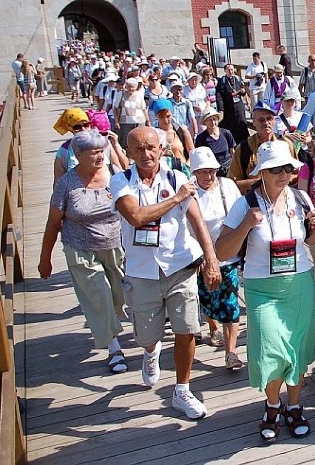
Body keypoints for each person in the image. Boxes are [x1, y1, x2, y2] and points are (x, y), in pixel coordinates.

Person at [215, 141, 315, 441]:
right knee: (269, 350)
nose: (283, 174)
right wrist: (245, 226)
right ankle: (273, 405)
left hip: (299, 284)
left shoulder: (301, 199)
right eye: (275, 168)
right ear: (261, 172)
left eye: (288, 168)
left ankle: (295, 405)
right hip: (262, 288)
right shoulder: (245, 203)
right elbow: (222, 250)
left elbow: (311, 241)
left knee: (298, 350)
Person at [111, 126, 222, 419]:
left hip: (179, 266)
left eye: (151, 147)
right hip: (141, 271)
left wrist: (210, 258)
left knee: (187, 330)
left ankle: (182, 390)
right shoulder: (121, 181)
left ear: (162, 149)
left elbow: (197, 220)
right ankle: (150, 352)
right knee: (148, 336)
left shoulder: (176, 177)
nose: (146, 154)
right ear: (129, 153)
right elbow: (135, 217)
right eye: (138, 149)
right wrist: (175, 199)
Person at [38, 130, 128, 375]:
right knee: (99, 296)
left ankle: (109, 325)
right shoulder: (66, 184)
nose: (100, 156)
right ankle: (114, 349)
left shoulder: (116, 175)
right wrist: (45, 259)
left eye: (102, 151)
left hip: (116, 245)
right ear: (78, 155)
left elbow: (134, 207)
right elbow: (53, 222)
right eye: (94, 152)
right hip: (80, 248)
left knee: (120, 297)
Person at [189, 147, 244, 370]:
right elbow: (184, 228)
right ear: (194, 172)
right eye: (202, 171)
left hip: (228, 255)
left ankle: (231, 353)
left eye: (211, 170)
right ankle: (212, 327)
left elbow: (240, 213)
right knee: (208, 300)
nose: (208, 176)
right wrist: (200, 255)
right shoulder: (189, 192)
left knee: (230, 304)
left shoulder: (228, 186)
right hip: (200, 257)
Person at [228, 101, 296, 193]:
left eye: (269, 118)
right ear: (254, 122)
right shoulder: (243, 149)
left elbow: (297, 174)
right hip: (253, 202)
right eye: (261, 120)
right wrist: (260, 182)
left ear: (274, 120)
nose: (266, 123)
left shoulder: (287, 145)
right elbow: (231, 184)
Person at [52, 107, 129, 187]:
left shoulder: (103, 143)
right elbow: (58, 182)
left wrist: (116, 145)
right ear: (70, 129)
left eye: (86, 125)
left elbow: (121, 168)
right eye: (77, 127)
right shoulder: (64, 150)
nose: (83, 129)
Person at [154, 100, 195, 175]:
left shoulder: (182, 131)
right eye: (161, 117)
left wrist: (186, 167)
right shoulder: (153, 134)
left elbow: (193, 153)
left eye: (168, 116)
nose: (166, 120)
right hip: (162, 173)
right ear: (156, 116)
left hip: (182, 171)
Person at [194, 108, 236, 176]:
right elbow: (200, 158)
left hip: (229, 168)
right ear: (205, 122)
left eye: (214, 119)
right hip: (213, 171)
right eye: (210, 120)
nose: (213, 122)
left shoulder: (226, 133)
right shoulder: (201, 138)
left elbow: (232, 152)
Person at [216, 63, 250, 143]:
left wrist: (243, 92)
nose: (230, 71)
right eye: (228, 70)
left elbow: (243, 91)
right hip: (229, 106)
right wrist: (221, 109)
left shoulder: (237, 79)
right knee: (231, 125)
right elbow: (219, 95)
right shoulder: (222, 81)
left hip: (238, 106)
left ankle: (244, 141)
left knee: (242, 123)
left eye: (232, 70)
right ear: (225, 71)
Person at [274, 89, 313, 154]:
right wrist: (285, 138)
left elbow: (309, 138)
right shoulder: (275, 120)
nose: (290, 103)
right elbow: (273, 140)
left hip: (301, 152)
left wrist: (305, 139)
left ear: (295, 102)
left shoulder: (302, 117)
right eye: (287, 101)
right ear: (282, 102)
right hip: (284, 152)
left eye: (292, 101)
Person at [114, 77, 150, 142]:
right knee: (125, 141)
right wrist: (116, 121)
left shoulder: (139, 95)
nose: (131, 88)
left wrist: (148, 121)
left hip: (139, 122)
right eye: (129, 86)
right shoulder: (121, 94)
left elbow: (143, 109)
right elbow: (115, 108)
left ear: (136, 87)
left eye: (133, 87)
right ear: (126, 86)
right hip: (125, 123)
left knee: (139, 140)